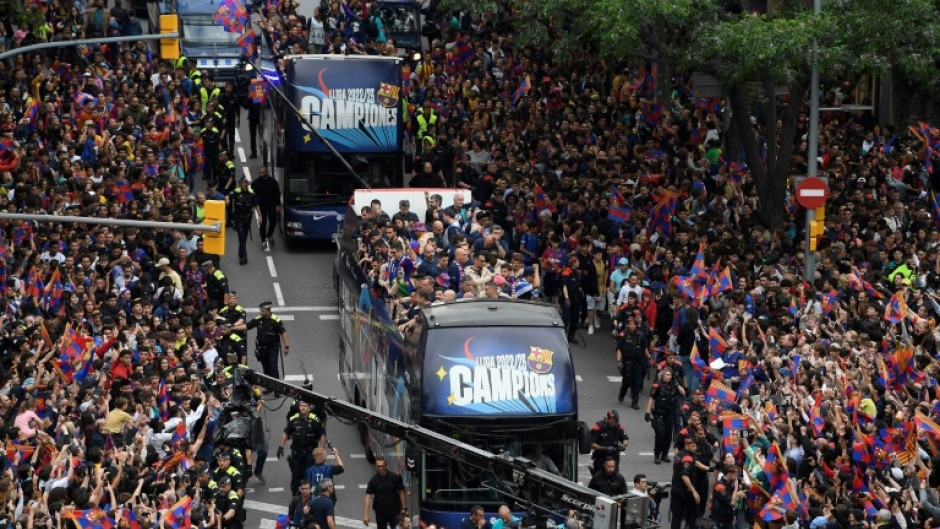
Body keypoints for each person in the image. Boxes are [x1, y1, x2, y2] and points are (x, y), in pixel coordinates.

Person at [278, 400, 325, 495]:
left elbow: (322, 434)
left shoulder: (314, 420)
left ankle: (310, 496)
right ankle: (295, 496)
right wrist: (281, 446)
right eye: (301, 406)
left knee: (310, 475)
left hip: (310, 453)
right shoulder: (294, 419)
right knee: (296, 476)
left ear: (309, 408)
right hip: (297, 453)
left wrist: (322, 449)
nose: (303, 408)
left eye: (305, 406)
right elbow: (286, 432)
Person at [240, 301, 289, 380]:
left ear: (268, 311)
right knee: (266, 369)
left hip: (272, 348)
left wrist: (286, 346)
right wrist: (232, 327)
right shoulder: (258, 319)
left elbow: (283, 333)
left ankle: (277, 387)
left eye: (262, 311)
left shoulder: (276, 320)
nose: (260, 312)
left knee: (273, 367)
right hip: (261, 349)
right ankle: (269, 387)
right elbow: (246, 326)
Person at [645, 367, 684, 465]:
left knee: (668, 435)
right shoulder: (657, 385)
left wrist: (676, 384)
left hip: (671, 413)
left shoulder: (674, 385)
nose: (669, 377)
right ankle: (657, 454)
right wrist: (647, 411)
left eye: (670, 375)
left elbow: (683, 392)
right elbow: (651, 398)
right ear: (663, 375)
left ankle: (665, 454)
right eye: (667, 374)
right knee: (660, 434)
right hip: (659, 413)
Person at [363, 456, 406, 529]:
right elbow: (368, 496)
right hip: (380, 513)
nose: (381, 468)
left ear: (386, 466)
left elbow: (401, 491)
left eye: (383, 466)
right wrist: (366, 514)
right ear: (376, 467)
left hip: (394, 512)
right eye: (379, 466)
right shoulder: (373, 481)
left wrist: (404, 508)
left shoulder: (394, 477)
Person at [616, 318, 649, 409]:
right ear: (627, 325)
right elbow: (619, 349)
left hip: (637, 362)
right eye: (631, 324)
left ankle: (635, 401)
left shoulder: (640, 336)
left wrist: (649, 357)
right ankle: (622, 393)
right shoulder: (623, 335)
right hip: (626, 362)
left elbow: (645, 347)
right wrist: (619, 362)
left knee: (636, 382)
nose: (633, 326)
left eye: (634, 324)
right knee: (626, 381)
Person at [670, 437, 701, 529]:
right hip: (686, 491)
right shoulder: (687, 457)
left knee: (676, 517)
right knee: (692, 516)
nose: (695, 448)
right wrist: (694, 491)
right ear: (687, 445)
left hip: (675, 488)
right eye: (693, 446)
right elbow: (684, 475)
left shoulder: (679, 454)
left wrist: (709, 469)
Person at [251, 164, 281, 250]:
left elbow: (277, 193)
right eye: (260, 173)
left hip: (271, 205)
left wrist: (277, 205)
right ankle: (263, 240)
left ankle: (270, 234)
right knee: (262, 224)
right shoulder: (255, 183)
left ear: (267, 172)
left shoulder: (273, 182)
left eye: (263, 172)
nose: (261, 174)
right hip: (261, 206)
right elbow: (253, 195)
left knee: (273, 221)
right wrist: (254, 206)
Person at [230, 176, 258, 265]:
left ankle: (240, 253)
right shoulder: (236, 192)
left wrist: (258, 214)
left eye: (244, 182)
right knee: (241, 237)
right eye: (241, 183)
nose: (243, 184)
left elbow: (255, 204)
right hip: (238, 218)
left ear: (247, 183)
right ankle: (244, 257)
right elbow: (229, 199)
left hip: (247, 218)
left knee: (244, 238)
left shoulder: (251, 193)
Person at [710, 465, 744, 529]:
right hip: (719, 519)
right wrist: (736, 490)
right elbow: (731, 502)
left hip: (727, 517)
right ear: (730, 474)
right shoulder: (720, 486)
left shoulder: (729, 483)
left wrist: (733, 515)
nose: (736, 477)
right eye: (735, 475)